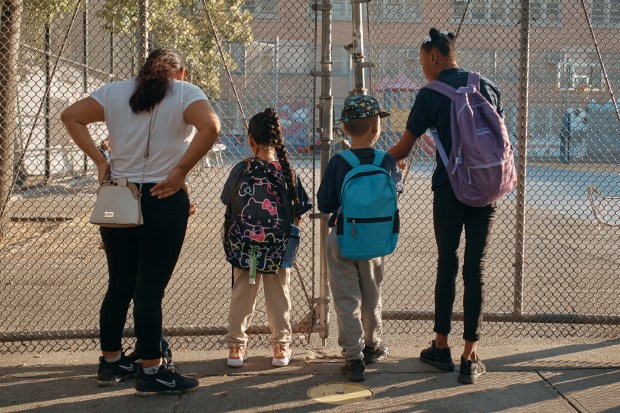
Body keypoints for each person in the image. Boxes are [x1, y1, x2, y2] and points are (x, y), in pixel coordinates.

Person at [61, 47, 221, 395]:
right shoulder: (184, 92)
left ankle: (111, 362)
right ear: (181, 73)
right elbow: (211, 127)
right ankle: (151, 370)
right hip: (162, 198)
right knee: (149, 290)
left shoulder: (115, 91)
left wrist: (100, 161)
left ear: (145, 71)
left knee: (120, 283)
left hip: (118, 197)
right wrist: (180, 172)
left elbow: (70, 116)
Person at [388, 28, 501, 385]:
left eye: (423, 62)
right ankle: (470, 355)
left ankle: (441, 346)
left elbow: (404, 147)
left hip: (450, 189)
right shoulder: (486, 86)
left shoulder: (431, 93)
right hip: (486, 188)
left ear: (435, 57)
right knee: (475, 267)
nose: (423, 68)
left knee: (448, 262)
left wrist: (372, 160)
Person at [317, 95, 402, 382]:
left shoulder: (339, 162)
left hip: (342, 238)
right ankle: (372, 345)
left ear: (345, 128)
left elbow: (326, 203)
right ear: (376, 128)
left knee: (346, 298)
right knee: (372, 294)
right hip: (375, 242)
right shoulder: (386, 160)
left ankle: (353, 358)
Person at [221, 108, 312, 368]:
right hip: (277, 250)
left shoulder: (240, 169)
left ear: (250, 139)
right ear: (278, 140)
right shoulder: (288, 172)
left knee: (242, 294)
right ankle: (281, 349)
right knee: (279, 295)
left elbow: (230, 203)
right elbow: (298, 212)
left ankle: (236, 350)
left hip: (245, 249)